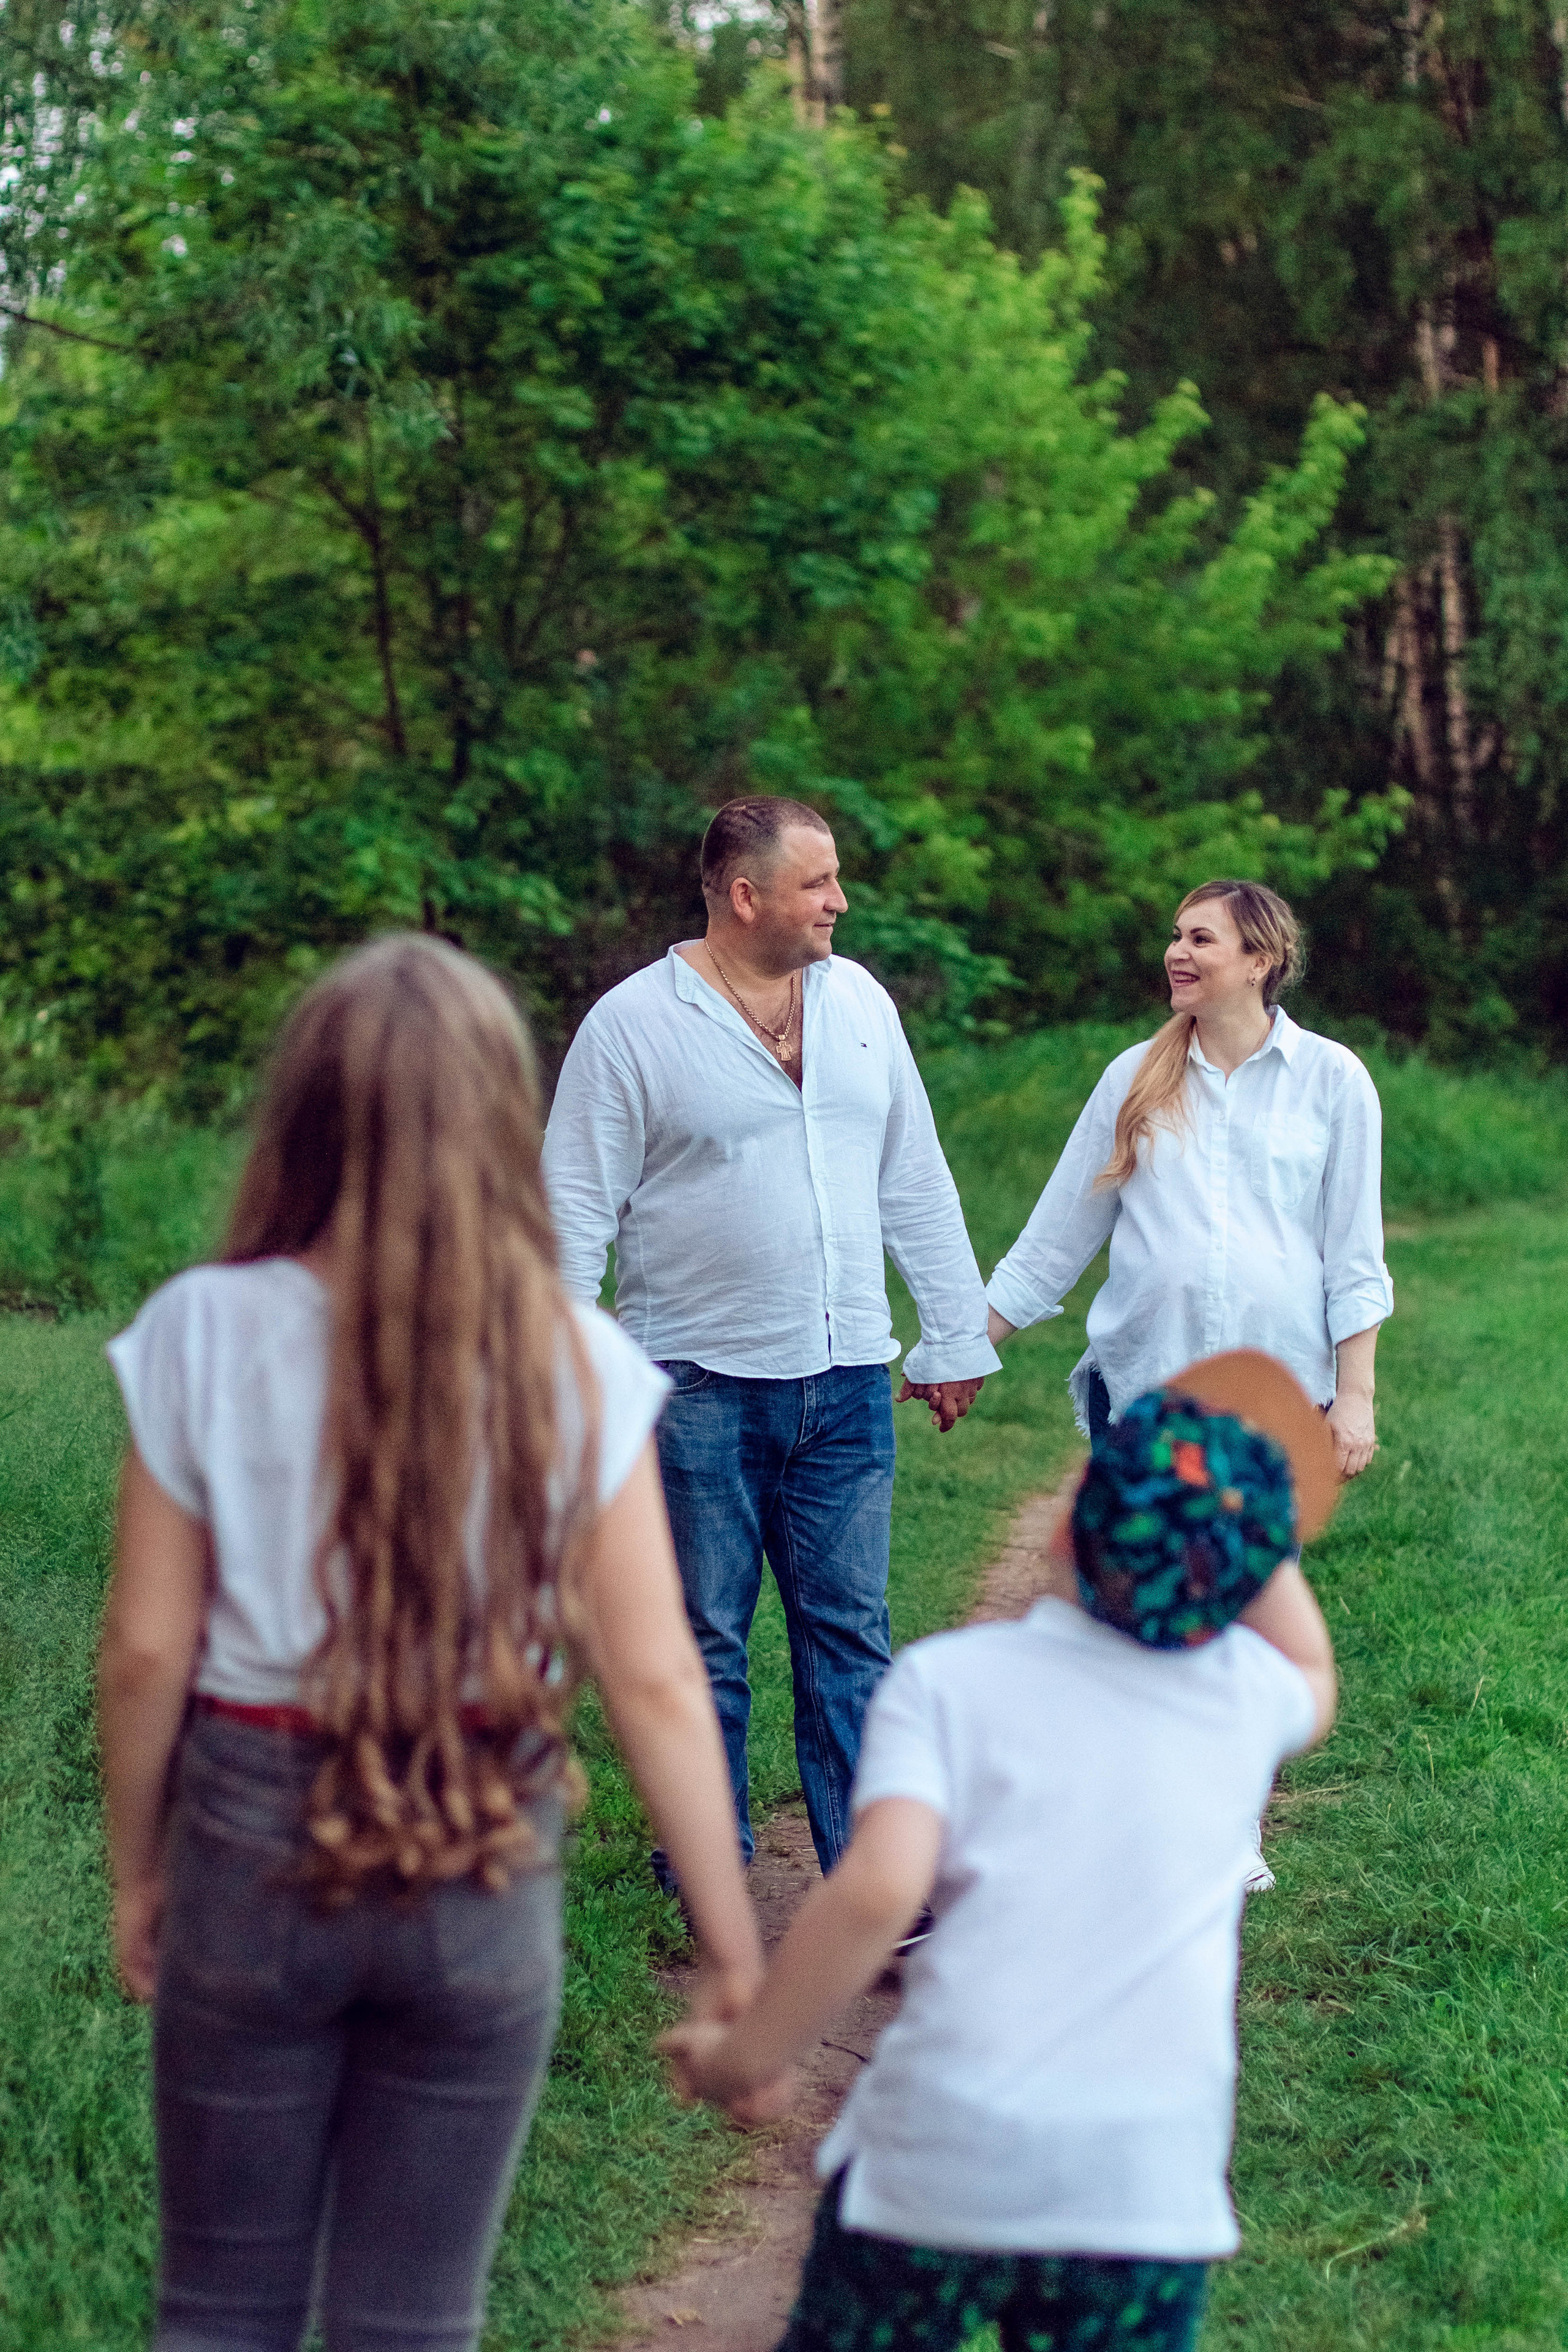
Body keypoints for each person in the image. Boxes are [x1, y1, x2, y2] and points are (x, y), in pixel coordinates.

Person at [98, 935, 761, 2352]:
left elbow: (149, 1651)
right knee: (413, 2318)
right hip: (483, 1842)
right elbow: (653, 1677)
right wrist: (730, 1947)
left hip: (251, 1845)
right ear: (500, 1118)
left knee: (217, 2309)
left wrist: (140, 1869)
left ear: (300, 1114)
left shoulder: (200, 1328)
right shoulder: (577, 1358)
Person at [662, 1348, 1340, 2352]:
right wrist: (1243, 1525)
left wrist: (750, 2055)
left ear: (1066, 1526)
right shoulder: (1247, 1701)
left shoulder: (950, 1683)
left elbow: (878, 1892)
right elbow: (1313, 1666)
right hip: (1142, 2194)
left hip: (942, 2164)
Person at [541, 796, 1000, 1887]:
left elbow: (913, 1172)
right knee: (703, 1641)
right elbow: (572, 1212)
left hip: (846, 1379)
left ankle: (871, 1884)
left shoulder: (861, 1003)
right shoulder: (632, 1026)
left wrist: (952, 1336)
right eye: (818, 883)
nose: (840, 901)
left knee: (852, 1636)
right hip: (693, 1382)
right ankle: (709, 1876)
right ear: (746, 897)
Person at [985, 879, 1393, 1483]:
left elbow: (1354, 1260)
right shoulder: (1131, 1078)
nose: (1177, 952)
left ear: (1259, 961)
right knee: (1142, 1551)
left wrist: (1356, 1397)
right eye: (1176, 937)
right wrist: (960, 1351)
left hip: (1281, 1399)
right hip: (1142, 1394)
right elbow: (1052, 1244)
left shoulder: (1333, 1079)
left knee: (1251, 1551)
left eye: (1201, 939)